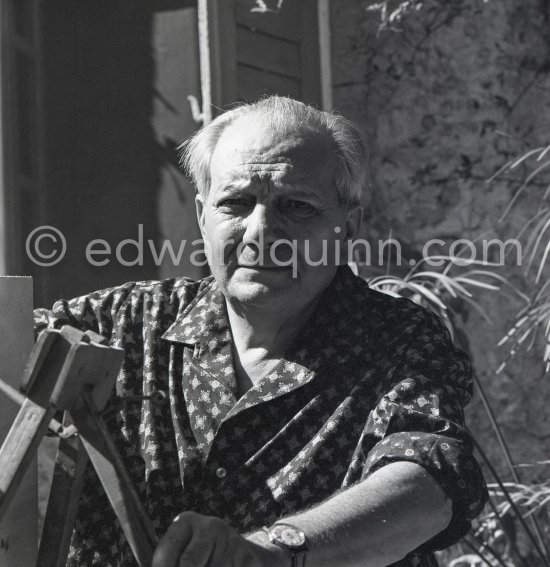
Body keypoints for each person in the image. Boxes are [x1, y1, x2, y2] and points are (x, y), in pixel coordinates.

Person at [35, 96, 487, 567]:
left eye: (296, 206)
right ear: (202, 217)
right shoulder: (125, 323)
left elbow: (429, 484)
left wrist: (271, 554)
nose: (261, 231)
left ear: (346, 226)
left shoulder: (399, 339)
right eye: (235, 203)